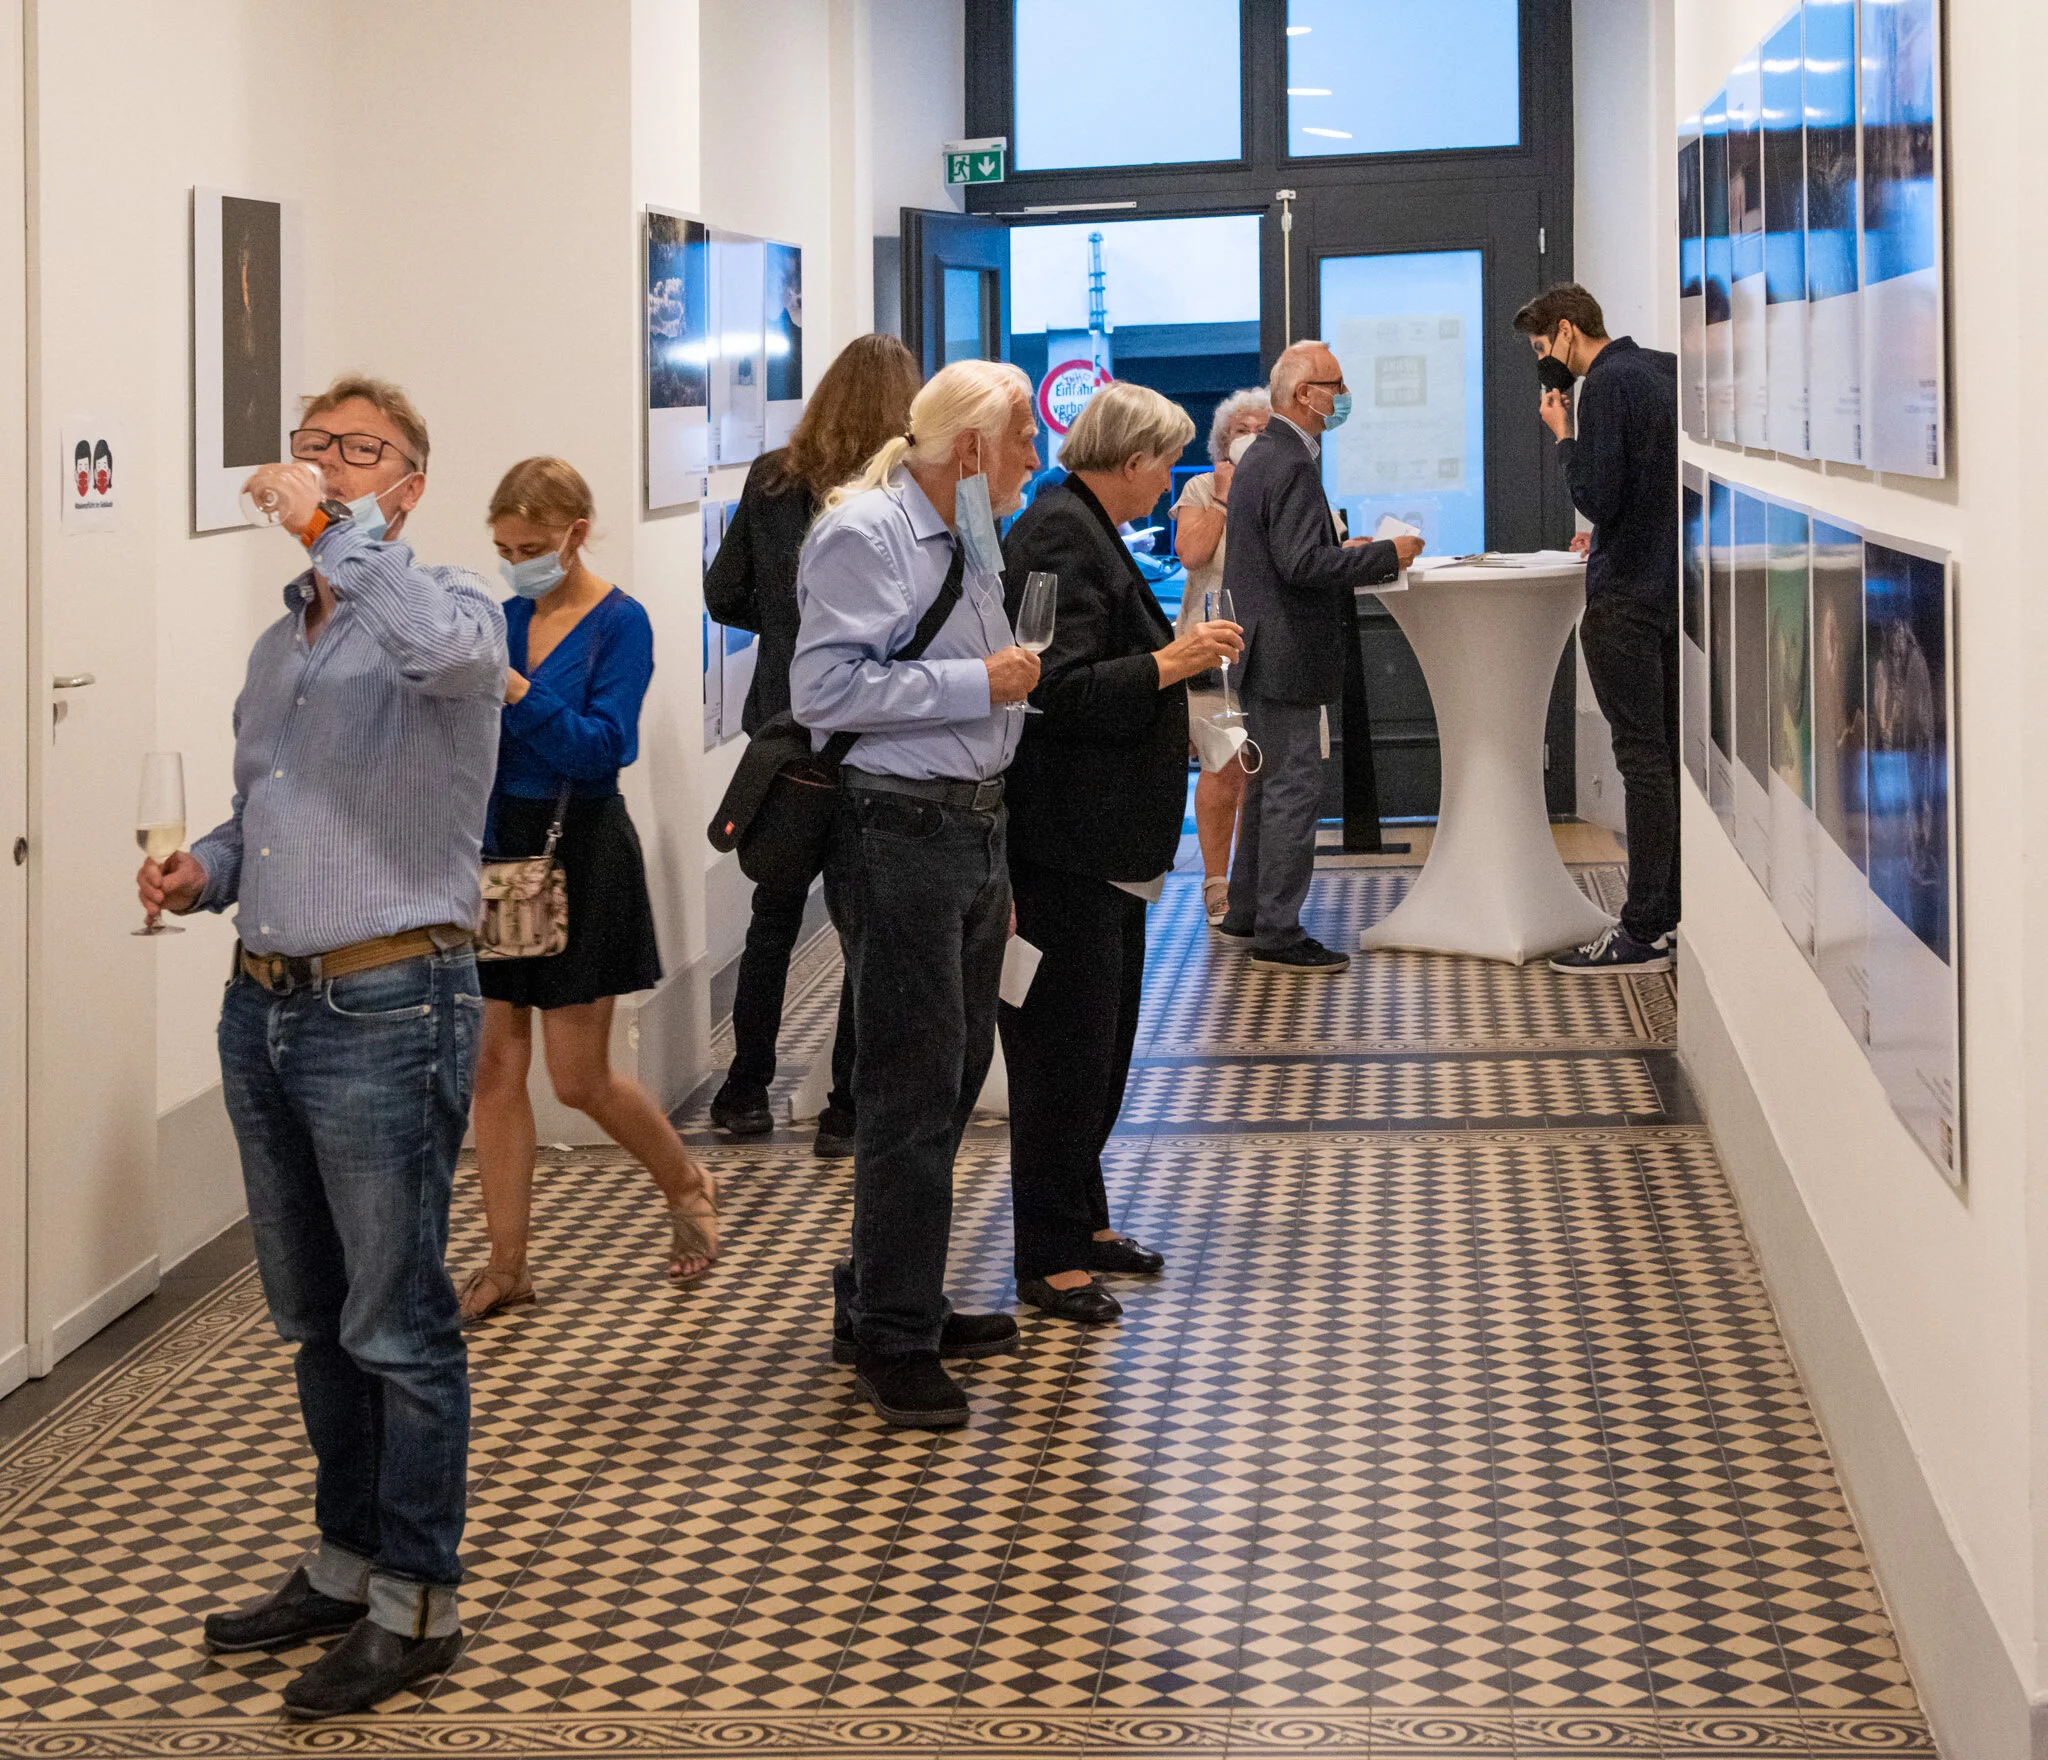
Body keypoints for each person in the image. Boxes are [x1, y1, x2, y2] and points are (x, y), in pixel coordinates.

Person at [135, 377, 505, 1719]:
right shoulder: (276, 647)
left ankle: (417, 1604)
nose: (330, 466)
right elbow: (262, 817)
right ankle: (345, 1564)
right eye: (311, 448)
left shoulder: (453, 609)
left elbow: (452, 663)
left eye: (360, 451)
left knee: (396, 1323)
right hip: (265, 1005)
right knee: (313, 1319)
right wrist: (204, 869)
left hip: (390, 1003)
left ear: (410, 485)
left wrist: (328, 530)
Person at [789, 357, 1043, 1431]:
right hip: (897, 833)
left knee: (955, 1072)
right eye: (1023, 439)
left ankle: (890, 1293)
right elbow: (823, 689)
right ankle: (893, 1337)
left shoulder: (972, 529)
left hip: (973, 828)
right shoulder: (863, 533)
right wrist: (979, 683)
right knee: (908, 1083)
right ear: (973, 448)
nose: (1034, 458)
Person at [999, 383, 1243, 1323]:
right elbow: (1052, 690)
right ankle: (1049, 1256)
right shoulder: (1059, 534)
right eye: (1167, 463)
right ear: (1132, 460)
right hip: (1067, 841)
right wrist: (1173, 663)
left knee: (1099, 1051)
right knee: (1064, 1057)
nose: (1171, 481)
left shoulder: (1084, 525)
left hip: (1104, 843)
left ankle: (1085, 1221)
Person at [455, 458, 719, 1324]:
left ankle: (683, 1177)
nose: (516, 563)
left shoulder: (619, 624)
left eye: (530, 547)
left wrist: (516, 691)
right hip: (500, 851)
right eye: (504, 550)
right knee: (495, 1066)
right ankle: (507, 1263)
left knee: (578, 1078)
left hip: (582, 848)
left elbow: (604, 747)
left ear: (575, 534)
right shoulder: (501, 620)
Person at [704, 334, 922, 1155]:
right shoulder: (904, 487)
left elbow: (722, 592)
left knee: (773, 914)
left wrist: (786, 631)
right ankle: (845, 1109)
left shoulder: (771, 478)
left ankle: (744, 1089)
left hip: (783, 729)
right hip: (871, 734)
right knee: (866, 925)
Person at [1216, 341, 1425, 973]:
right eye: (1337, 385)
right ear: (1306, 395)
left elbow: (1290, 551)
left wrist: (1342, 548)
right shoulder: (1291, 461)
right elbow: (1302, 565)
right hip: (1286, 653)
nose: (1345, 395)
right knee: (1292, 790)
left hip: (1261, 648)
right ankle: (1279, 934)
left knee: (1267, 788)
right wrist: (1386, 555)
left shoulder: (1265, 453)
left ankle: (1248, 913)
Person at [1517, 283, 1681, 973]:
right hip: (1671, 590)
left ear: (1565, 330)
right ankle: (1670, 912)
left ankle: (1642, 929)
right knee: (1666, 758)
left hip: (1625, 602)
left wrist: (1564, 438)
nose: (1543, 363)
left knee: (1641, 762)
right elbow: (1653, 488)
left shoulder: (1605, 384)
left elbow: (1595, 494)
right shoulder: (1664, 369)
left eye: (1541, 347)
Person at [1172, 389, 1270, 926]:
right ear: (1222, 441)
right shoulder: (1201, 488)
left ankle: (1256, 881)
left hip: (1271, 644)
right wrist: (1226, 496)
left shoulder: (1285, 483)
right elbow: (1191, 554)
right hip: (1213, 643)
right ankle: (1216, 882)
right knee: (1222, 763)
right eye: (1240, 430)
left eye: (1261, 429)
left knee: (1265, 766)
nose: (1250, 437)